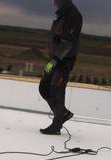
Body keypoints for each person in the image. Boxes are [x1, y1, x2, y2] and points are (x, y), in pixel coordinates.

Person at [39, 0, 83, 135]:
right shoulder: (63, 14)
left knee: (56, 90)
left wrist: (54, 60)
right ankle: (62, 113)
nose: (53, 3)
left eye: (55, 0)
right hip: (55, 58)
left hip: (64, 60)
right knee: (44, 88)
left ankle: (56, 125)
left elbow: (67, 43)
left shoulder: (74, 16)